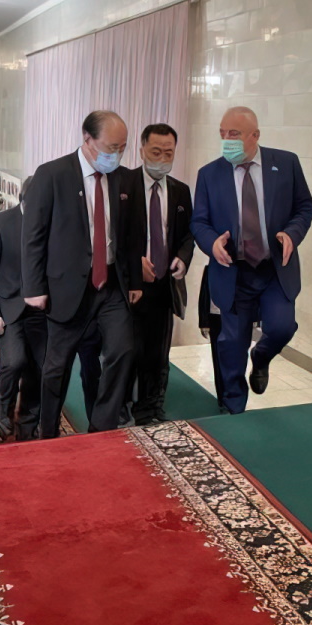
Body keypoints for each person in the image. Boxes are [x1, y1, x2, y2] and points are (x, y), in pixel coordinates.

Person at [22, 110, 143, 436]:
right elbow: (33, 236)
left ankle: (101, 427)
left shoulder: (124, 178)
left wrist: (135, 280)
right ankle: (48, 431)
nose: (117, 154)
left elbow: (131, 235)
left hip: (112, 284)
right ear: (87, 139)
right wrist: (33, 287)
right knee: (56, 366)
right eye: (111, 147)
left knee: (122, 350)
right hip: (67, 286)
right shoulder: (52, 175)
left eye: (123, 147)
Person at [190, 106, 312, 414]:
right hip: (233, 271)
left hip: (274, 269)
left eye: (234, 134)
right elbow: (199, 222)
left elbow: (304, 206)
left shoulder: (286, 163)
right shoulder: (209, 174)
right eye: (222, 133)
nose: (226, 140)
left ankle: (261, 357)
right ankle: (234, 411)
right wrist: (212, 243)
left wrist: (292, 233)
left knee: (282, 327)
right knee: (231, 345)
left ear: (255, 135)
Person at [123, 124, 193, 425]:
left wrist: (183, 258)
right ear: (142, 150)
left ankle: (150, 408)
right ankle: (121, 404)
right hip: (130, 284)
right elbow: (114, 234)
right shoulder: (124, 184)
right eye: (156, 152)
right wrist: (133, 262)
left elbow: (187, 235)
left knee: (157, 352)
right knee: (127, 350)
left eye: (168, 153)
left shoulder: (180, 191)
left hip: (164, 284)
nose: (162, 159)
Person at [0, 181, 47, 442]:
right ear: (23, 198)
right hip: (8, 307)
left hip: (43, 309)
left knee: (41, 368)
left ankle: (29, 423)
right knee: (14, 361)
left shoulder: (53, 222)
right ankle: (2, 416)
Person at [197, 265, 224, 410]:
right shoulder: (210, 269)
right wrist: (204, 322)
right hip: (216, 318)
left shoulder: (242, 267)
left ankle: (235, 395)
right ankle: (222, 397)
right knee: (218, 358)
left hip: (237, 318)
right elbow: (204, 296)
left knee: (236, 358)